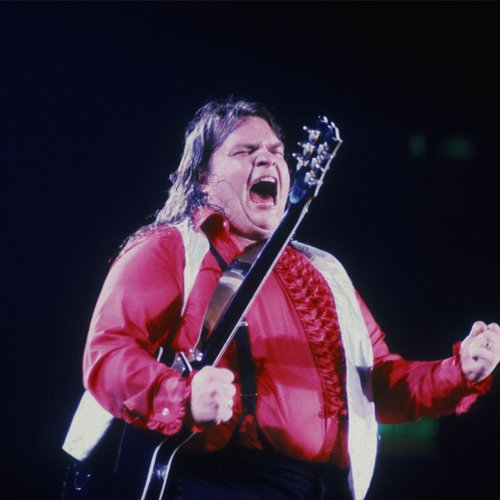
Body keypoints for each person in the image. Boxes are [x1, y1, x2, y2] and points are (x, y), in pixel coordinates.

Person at [62, 98, 500, 500]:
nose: (267, 158)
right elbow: (108, 354)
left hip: (316, 489)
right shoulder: (171, 248)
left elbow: (377, 384)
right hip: (211, 481)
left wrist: (459, 372)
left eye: (276, 151)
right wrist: (180, 397)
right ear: (202, 177)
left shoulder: (325, 271)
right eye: (244, 151)